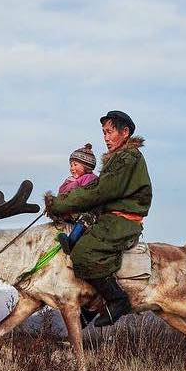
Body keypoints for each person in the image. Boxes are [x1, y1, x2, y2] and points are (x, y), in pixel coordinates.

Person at [46, 110, 152, 327]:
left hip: (123, 220)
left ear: (125, 132)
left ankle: (116, 300)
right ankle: (92, 305)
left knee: (83, 253)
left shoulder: (127, 157)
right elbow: (97, 188)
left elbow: (100, 192)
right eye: (103, 132)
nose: (105, 137)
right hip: (111, 216)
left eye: (109, 132)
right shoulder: (118, 158)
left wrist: (61, 204)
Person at [55, 143, 98, 253]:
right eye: (71, 165)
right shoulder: (69, 180)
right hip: (72, 211)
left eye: (75, 165)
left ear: (86, 166)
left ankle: (71, 241)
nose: (72, 168)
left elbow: (86, 194)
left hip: (87, 211)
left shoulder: (90, 178)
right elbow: (61, 191)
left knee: (86, 218)